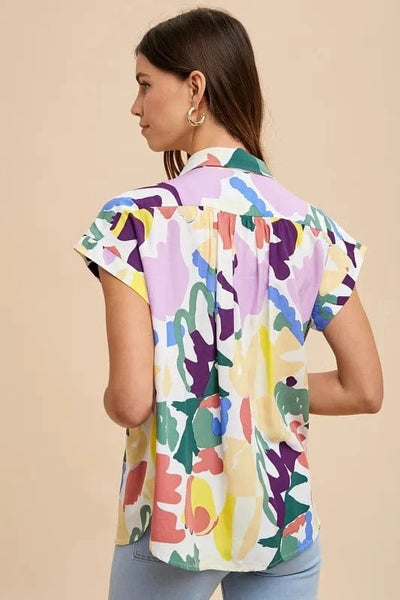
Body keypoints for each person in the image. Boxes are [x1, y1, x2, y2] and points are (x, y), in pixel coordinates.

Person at [73, 7, 383, 600]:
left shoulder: (134, 221)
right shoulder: (312, 228)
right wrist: (257, 386)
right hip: (283, 520)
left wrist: (122, 396)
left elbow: (131, 399)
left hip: (174, 519)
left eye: (144, 84)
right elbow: (364, 389)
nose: (135, 106)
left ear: (195, 88)